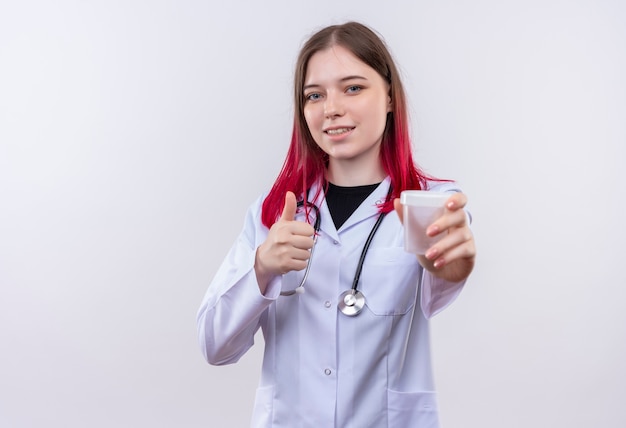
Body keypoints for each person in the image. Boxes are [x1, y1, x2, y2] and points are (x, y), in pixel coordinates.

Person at [197, 21, 476, 427]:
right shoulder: (274, 211)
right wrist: (262, 267)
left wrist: (452, 264)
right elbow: (214, 345)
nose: (331, 109)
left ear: (390, 97)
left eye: (353, 88)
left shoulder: (428, 203)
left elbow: (445, 273)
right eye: (315, 95)